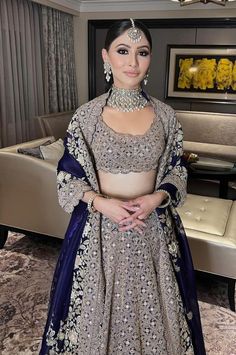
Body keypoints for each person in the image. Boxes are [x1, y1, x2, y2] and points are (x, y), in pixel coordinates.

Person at [39, 19, 206, 355]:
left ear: (150, 58)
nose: (132, 62)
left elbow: (177, 169)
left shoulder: (165, 116)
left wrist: (156, 197)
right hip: (100, 229)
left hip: (152, 227)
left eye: (142, 52)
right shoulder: (86, 117)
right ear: (106, 56)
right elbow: (69, 175)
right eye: (123, 51)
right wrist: (102, 203)